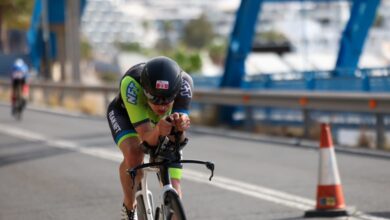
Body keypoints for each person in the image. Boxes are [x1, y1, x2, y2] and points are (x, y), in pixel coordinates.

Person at [106, 56, 193, 220]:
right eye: (155, 99)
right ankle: (129, 207)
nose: (161, 106)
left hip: (160, 124)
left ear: (175, 93)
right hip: (125, 115)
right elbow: (146, 139)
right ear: (145, 92)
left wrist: (182, 126)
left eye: (167, 100)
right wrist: (158, 130)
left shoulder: (185, 84)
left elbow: (180, 138)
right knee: (134, 154)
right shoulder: (131, 83)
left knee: (175, 186)